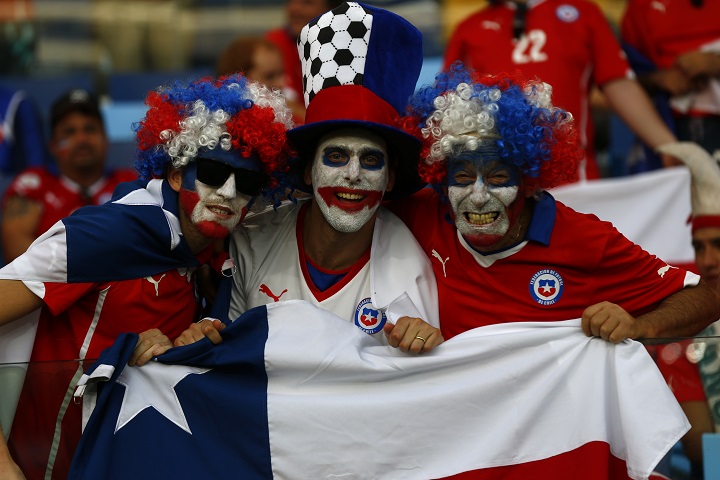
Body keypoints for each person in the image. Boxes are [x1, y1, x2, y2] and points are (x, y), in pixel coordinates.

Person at [0, 74, 296, 480]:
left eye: (246, 182)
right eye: (211, 171)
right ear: (176, 174)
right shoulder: (107, 234)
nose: (228, 193)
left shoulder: (217, 259)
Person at [172, 1, 442, 354]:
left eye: (372, 159)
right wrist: (197, 337)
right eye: (336, 156)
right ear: (306, 170)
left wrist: (422, 340)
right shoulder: (252, 241)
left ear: (390, 179)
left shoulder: (410, 268)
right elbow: (221, 352)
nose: (353, 175)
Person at [443, 0, 680, 183]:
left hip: (576, 178)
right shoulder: (468, 29)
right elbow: (448, 107)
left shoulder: (583, 14)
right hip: (496, 181)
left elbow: (618, 84)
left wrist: (668, 145)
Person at [647, 142, 720, 477]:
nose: (707, 261)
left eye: (718, 245)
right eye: (699, 247)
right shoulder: (686, 337)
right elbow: (704, 451)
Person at [1, 88, 136, 263]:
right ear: (53, 145)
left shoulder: (131, 184)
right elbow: (16, 254)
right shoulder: (32, 185)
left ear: (105, 139)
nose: (81, 139)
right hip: (53, 290)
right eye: (69, 132)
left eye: (90, 129)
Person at [622, 0, 720, 156]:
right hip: (673, 123)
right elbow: (621, 80)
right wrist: (659, 79)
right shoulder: (642, 7)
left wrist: (716, 62)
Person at [264, 0, 344, 124]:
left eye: (307, 3)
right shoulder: (272, 45)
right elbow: (266, 99)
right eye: (292, 1)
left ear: (332, 11)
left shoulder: (346, 50)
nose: (295, 9)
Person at [216, 35, 306, 123]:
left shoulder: (291, 114)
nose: (281, 83)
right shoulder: (220, 123)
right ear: (239, 81)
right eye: (270, 76)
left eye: (281, 74)